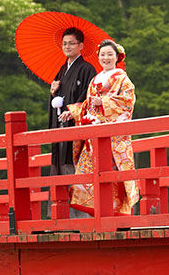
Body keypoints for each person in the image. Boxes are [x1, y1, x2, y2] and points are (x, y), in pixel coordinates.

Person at [59, 39, 139, 215]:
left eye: (110, 54)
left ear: (117, 57)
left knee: (111, 173)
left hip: (112, 135)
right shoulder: (96, 78)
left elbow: (127, 102)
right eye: (102, 55)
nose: (106, 58)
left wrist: (103, 101)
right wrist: (73, 112)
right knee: (91, 172)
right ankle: (97, 213)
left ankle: (116, 214)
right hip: (93, 134)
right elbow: (88, 104)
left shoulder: (122, 78)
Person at [48, 27, 97, 175]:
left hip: (76, 125)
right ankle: (60, 198)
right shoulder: (62, 69)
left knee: (72, 166)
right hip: (60, 125)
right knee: (59, 165)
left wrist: (73, 112)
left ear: (81, 46)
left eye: (71, 43)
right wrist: (52, 91)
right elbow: (57, 100)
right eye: (64, 44)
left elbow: (88, 95)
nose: (67, 47)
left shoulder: (87, 69)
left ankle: (75, 197)